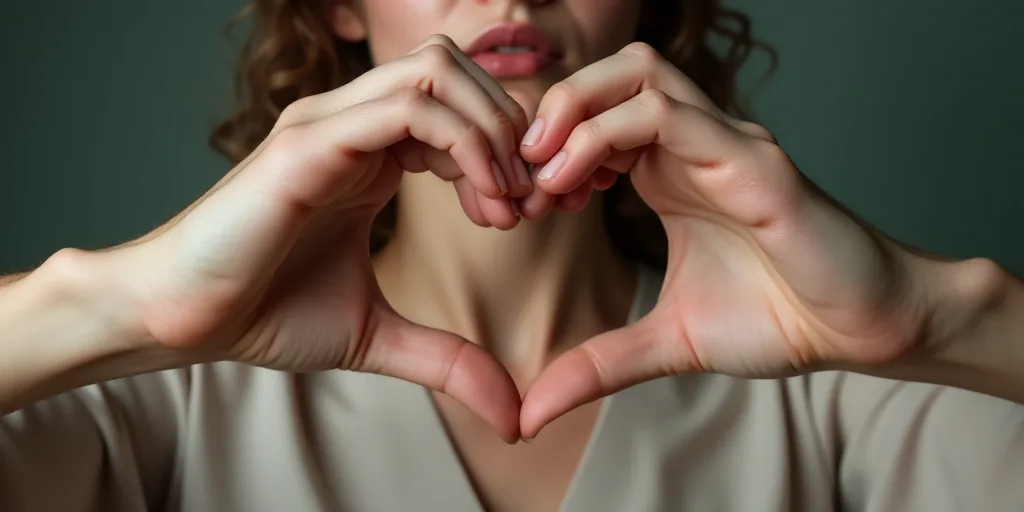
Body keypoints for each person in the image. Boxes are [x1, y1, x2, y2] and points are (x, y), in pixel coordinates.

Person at [2, 0, 1023, 510]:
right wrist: (124, 307)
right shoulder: (155, 393)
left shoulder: (837, 383)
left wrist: (939, 318)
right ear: (336, 7)